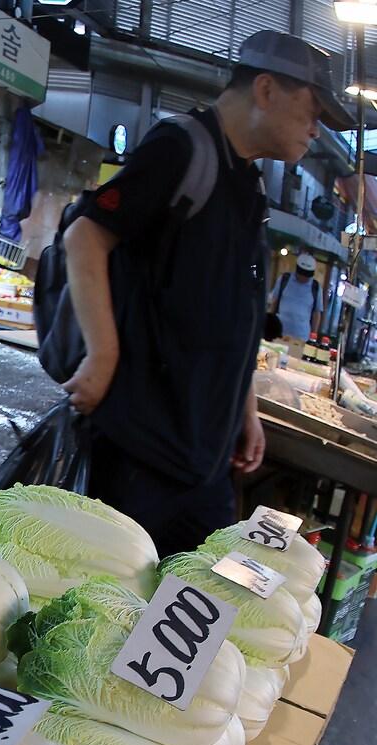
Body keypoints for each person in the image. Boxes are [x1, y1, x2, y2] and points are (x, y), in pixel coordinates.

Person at [60, 30, 352, 556]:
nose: (316, 129)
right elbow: (85, 235)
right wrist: (103, 355)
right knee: (117, 610)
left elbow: (232, 311)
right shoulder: (181, 148)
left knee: (193, 609)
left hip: (207, 462)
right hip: (142, 451)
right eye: (312, 110)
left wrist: (246, 411)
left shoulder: (250, 183)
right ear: (265, 89)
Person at [270, 253, 324, 342]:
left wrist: (313, 335)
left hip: (301, 337)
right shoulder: (284, 279)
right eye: (302, 274)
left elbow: (317, 314)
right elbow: (274, 301)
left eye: (307, 275)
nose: (303, 277)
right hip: (279, 332)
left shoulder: (316, 288)